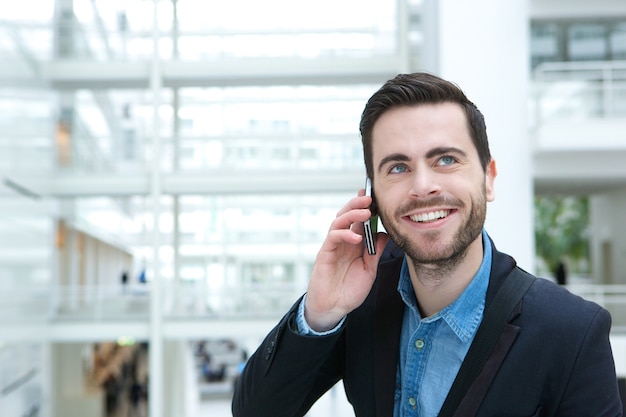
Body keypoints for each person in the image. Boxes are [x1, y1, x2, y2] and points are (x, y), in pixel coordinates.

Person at [231, 72, 622, 416]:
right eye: (397, 168)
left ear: (488, 178)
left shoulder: (572, 332)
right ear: (372, 197)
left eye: (446, 160)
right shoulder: (359, 301)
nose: (422, 187)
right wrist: (320, 314)